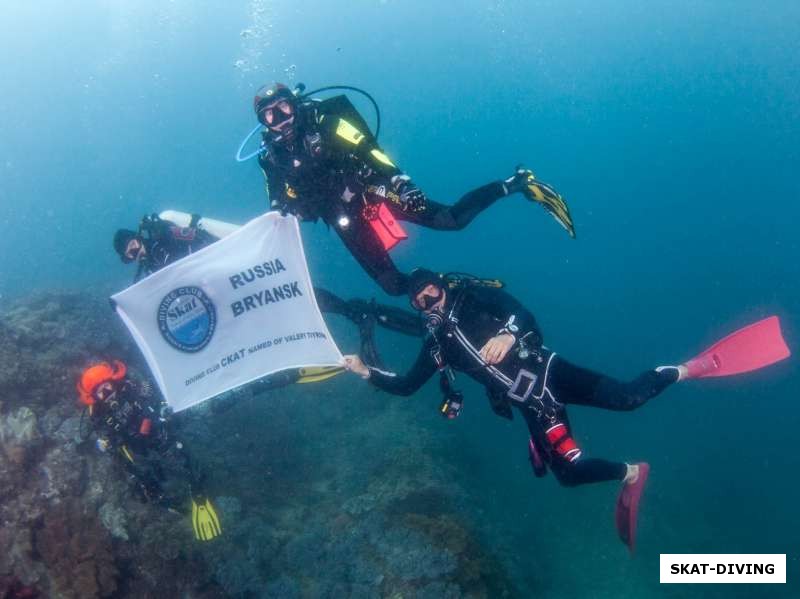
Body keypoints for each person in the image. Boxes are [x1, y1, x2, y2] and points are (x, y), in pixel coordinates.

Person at [342, 268, 686, 548]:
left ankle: (678, 371)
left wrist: (508, 335)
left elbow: (522, 314)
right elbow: (406, 385)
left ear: (442, 285)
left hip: (552, 373)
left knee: (628, 399)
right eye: (419, 302)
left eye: (430, 292)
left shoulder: (473, 297)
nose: (428, 302)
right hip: (533, 406)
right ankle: (631, 472)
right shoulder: (437, 345)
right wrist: (365, 371)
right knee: (568, 475)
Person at [252, 82, 575, 296]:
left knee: (450, 220)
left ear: (295, 105)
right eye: (269, 114)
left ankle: (519, 183)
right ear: (263, 123)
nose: (279, 118)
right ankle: (449, 283)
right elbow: (276, 203)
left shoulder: (327, 123)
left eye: (284, 108)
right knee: (392, 287)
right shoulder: (270, 159)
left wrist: (400, 182)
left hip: (374, 190)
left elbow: (368, 149)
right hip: (342, 217)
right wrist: (285, 212)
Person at [76, 360, 222, 541]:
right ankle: (173, 506)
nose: (107, 394)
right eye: (100, 392)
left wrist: (161, 410)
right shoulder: (98, 415)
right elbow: (105, 439)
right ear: (93, 397)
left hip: (159, 431)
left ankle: (231, 394)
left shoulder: (131, 387)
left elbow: (155, 394)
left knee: (190, 439)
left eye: (107, 387)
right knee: (146, 485)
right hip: (138, 448)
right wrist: (106, 444)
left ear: (113, 381)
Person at [114, 213, 217, 283]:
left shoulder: (162, 237)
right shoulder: (148, 267)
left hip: (208, 263)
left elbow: (200, 237)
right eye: (129, 253)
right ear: (128, 258)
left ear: (139, 238)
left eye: (133, 244)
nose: (134, 251)